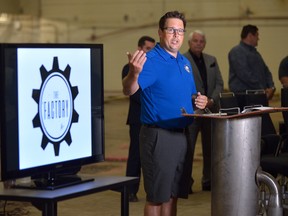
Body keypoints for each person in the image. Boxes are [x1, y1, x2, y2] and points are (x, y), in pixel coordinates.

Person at [122, 11, 208, 216]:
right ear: (161, 33)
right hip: (159, 136)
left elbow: (189, 96)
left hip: (182, 135)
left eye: (180, 31)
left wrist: (200, 100)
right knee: (157, 197)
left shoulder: (184, 62)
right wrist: (133, 73)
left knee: (173, 194)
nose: (176, 35)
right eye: (171, 30)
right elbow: (129, 90)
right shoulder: (151, 60)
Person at [183, 30, 224, 192]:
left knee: (210, 148)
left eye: (201, 41)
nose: (199, 43)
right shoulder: (182, 60)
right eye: (196, 41)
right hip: (191, 111)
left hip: (210, 111)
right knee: (188, 148)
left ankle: (208, 180)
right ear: (189, 43)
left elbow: (219, 83)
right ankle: (185, 183)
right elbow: (181, 85)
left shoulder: (211, 60)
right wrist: (197, 99)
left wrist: (211, 100)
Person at [121, 36, 156, 202]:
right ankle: (130, 190)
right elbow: (134, 93)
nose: (150, 52)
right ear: (140, 48)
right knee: (135, 156)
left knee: (152, 156)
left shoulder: (154, 69)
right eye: (148, 48)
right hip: (138, 119)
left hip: (154, 118)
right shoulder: (129, 69)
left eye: (152, 48)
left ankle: (153, 190)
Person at [228, 24, 275, 100]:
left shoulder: (256, 54)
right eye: (257, 35)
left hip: (259, 95)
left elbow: (266, 71)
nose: (258, 39)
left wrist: (271, 87)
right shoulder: (236, 52)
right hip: (244, 98)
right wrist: (262, 89)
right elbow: (245, 74)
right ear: (250, 36)